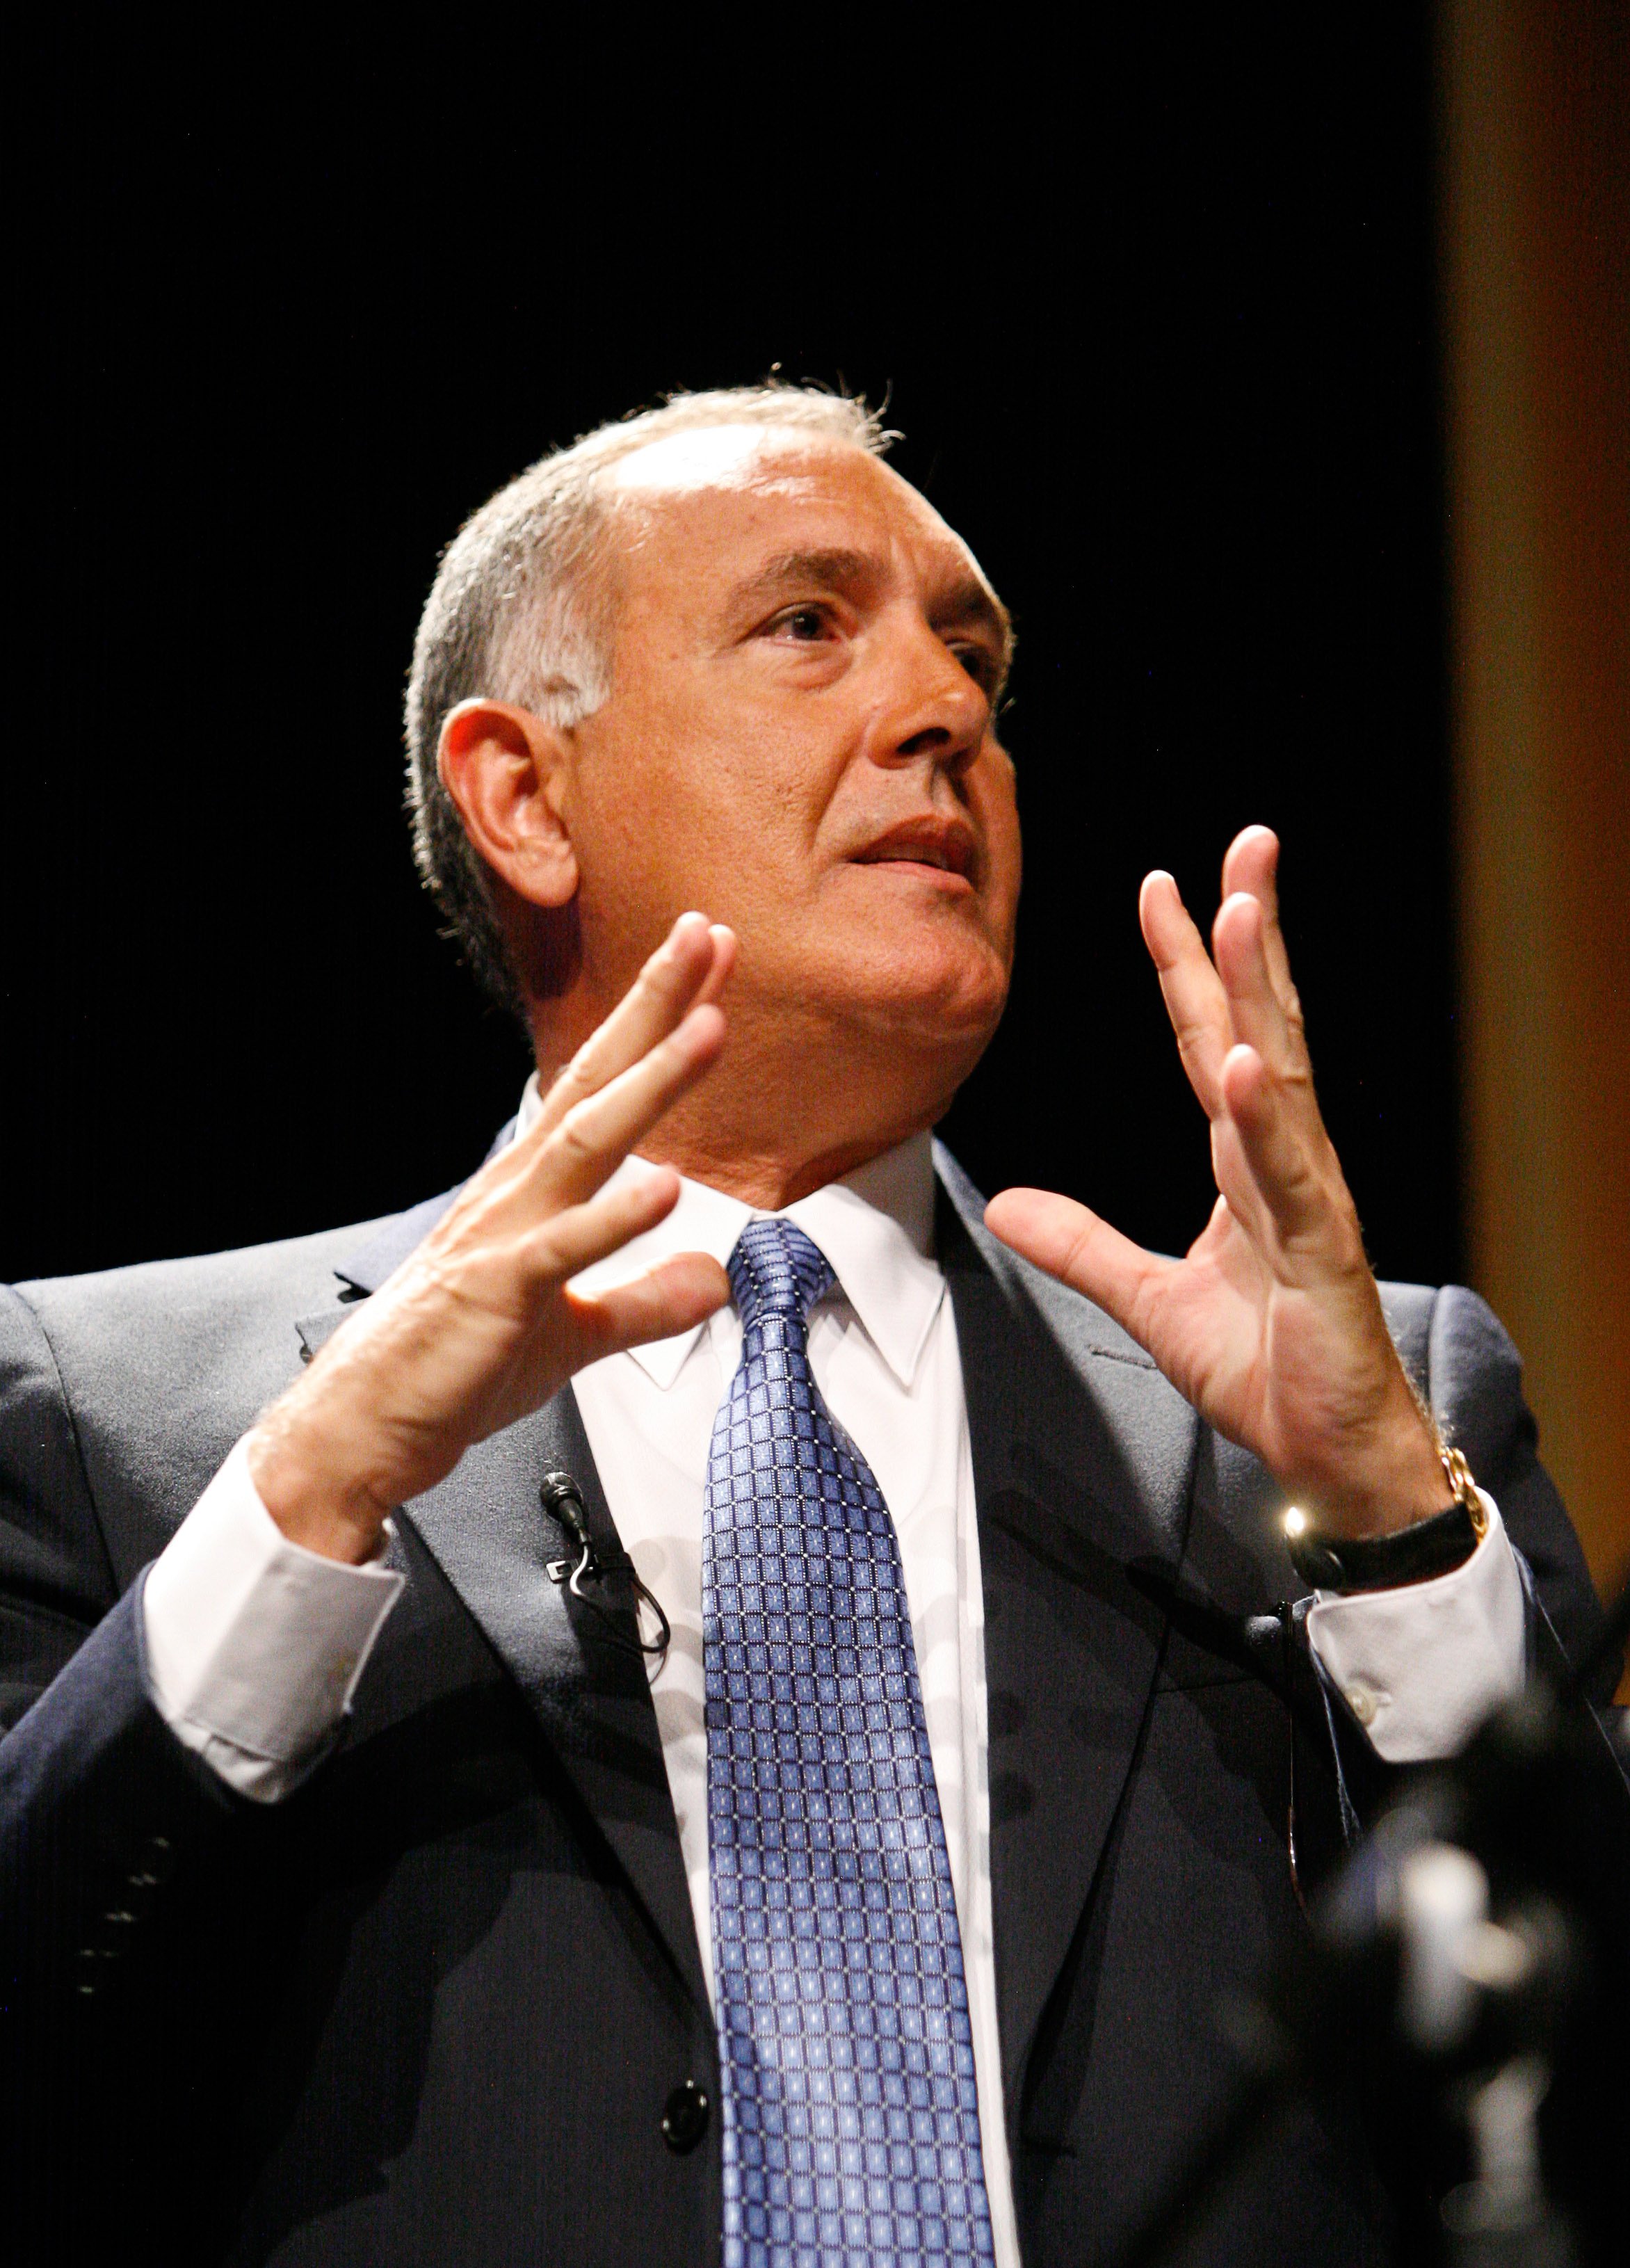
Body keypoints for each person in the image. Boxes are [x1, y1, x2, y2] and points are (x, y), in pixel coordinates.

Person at [0, 386, 1618, 2268]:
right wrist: (309, 1495)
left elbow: (1588, 2115)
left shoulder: (1356, 1422)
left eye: (975, 661)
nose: (945, 713)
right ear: (524, 797)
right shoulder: (122, 1417)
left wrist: (1394, 1537)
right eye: (807, 625)